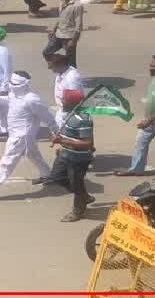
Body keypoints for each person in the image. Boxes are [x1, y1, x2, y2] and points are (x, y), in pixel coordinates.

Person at [0, 72, 56, 200]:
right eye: (11, 83)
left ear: (25, 84)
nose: (12, 86)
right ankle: (48, 174)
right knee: (32, 154)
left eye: (15, 84)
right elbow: (7, 99)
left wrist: (56, 131)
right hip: (17, 133)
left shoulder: (32, 100)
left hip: (21, 136)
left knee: (7, 162)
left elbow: (47, 117)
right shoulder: (14, 94)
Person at [47, 87, 95, 221]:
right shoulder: (70, 114)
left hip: (78, 158)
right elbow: (71, 135)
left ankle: (78, 211)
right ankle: (83, 195)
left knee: (76, 185)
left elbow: (87, 143)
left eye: (64, 100)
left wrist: (61, 140)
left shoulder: (83, 119)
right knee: (56, 176)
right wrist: (58, 137)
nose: (62, 101)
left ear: (72, 103)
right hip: (65, 153)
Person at [44, 0, 84, 67]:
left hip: (68, 37)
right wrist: (53, 30)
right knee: (46, 52)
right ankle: (59, 65)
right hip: (58, 35)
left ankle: (72, 77)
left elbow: (79, 25)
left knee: (71, 62)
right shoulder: (61, 3)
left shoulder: (77, 5)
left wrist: (73, 41)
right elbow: (60, 18)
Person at [46, 53, 83, 126]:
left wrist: (66, 116)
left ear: (60, 65)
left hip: (70, 113)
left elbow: (74, 98)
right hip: (62, 111)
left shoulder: (72, 77)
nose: (49, 68)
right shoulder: (60, 74)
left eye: (52, 66)